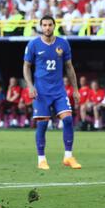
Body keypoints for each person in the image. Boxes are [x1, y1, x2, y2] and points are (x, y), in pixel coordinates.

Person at [23, 15, 81, 170]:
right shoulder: (34, 44)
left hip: (59, 90)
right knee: (42, 124)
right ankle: (41, 159)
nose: (47, 27)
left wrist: (75, 89)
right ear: (41, 27)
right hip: (41, 92)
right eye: (44, 25)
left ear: (54, 26)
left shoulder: (63, 43)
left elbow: (69, 67)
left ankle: (68, 157)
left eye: (50, 25)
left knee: (68, 120)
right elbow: (26, 66)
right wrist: (30, 86)